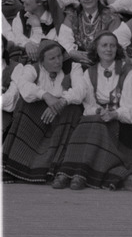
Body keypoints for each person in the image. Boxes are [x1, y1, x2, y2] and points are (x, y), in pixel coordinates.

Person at [51, 31, 132, 190]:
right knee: (88, 120)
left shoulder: (129, 72)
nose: (108, 49)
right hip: (100, 121)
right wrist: (98, 111)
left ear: (117, 49)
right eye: (104, 45)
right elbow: (87, 102)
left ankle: (80, 173)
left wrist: (114, 114)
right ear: (96, 49)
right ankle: (68, 171)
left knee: (93, 123)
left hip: (124, 127)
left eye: (112, 45)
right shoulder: (90, 73)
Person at [2, 39, 84, 183]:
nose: (58, 61)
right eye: (52, 58)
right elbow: (25, 87)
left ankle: (50, 169)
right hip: (40, 119)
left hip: (62, 117)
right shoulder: (33, 68)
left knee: (74, 108)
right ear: (42, 61)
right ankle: (14, 167)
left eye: (59, 56)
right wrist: (45, 95)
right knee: (25, 104)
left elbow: (80, 91)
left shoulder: (73, 67)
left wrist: (60, 103)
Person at [58, 0, 122, 68]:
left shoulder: (111, 17)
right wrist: (72, 52)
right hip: (78, 62)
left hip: (105, 61)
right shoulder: (72, 16)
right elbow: (64, 38)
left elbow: (117, 43)